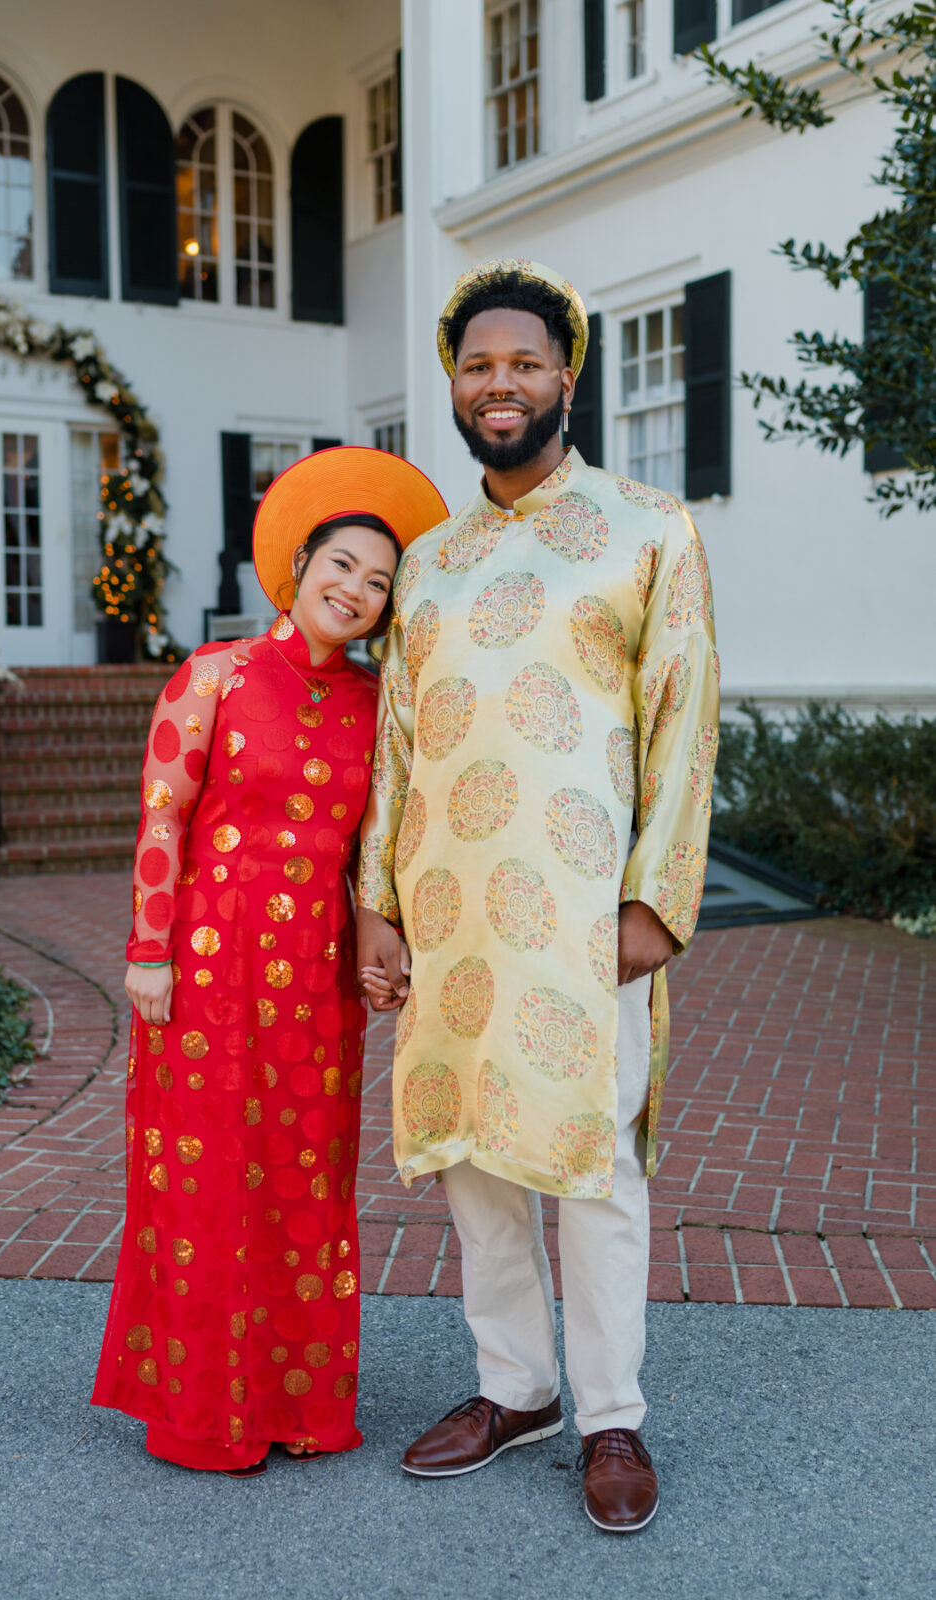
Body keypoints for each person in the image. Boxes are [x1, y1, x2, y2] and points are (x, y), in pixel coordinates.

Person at [357, 260, 719, 1532]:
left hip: (582, 921)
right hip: (448, 913)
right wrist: (376, 903)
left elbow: (684, 726)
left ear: (565, 376)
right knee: (474, 1164)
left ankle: (610, 1412)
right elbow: (396, 743)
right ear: (452, 386)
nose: (497, 383)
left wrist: (653, 902)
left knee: (593, 1165)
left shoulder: (646, 528)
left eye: (521, 362)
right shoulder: (428, 561)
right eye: (474, 364)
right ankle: (513, 1389)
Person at [92, 446, 448, 1477]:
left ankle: (298, 1406)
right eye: (341, 564)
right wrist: (146, 952)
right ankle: (206, 1414)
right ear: (298, 566)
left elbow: (378, 841)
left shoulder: (377, 704)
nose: (356, 589)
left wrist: (383, 940)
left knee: (301, 1183)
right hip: (205, 964)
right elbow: (162, 818)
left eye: (377, 581)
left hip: (313, 974)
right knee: (206, 1182)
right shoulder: (214, 674)